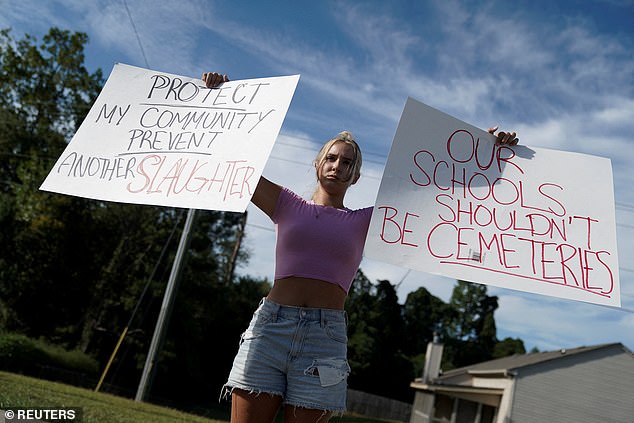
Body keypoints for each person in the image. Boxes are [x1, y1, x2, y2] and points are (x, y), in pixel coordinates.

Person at [202, 71, 518, 423]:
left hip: (324, 338)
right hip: (271, 329)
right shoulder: (286, 205)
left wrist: (485, 151)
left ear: (356, 176)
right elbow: (236, 165)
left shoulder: (368, 220)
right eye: (332, 158)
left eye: (347, 162)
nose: (338, 166)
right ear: (318, 164)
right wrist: (217, 99)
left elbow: (439, 196)